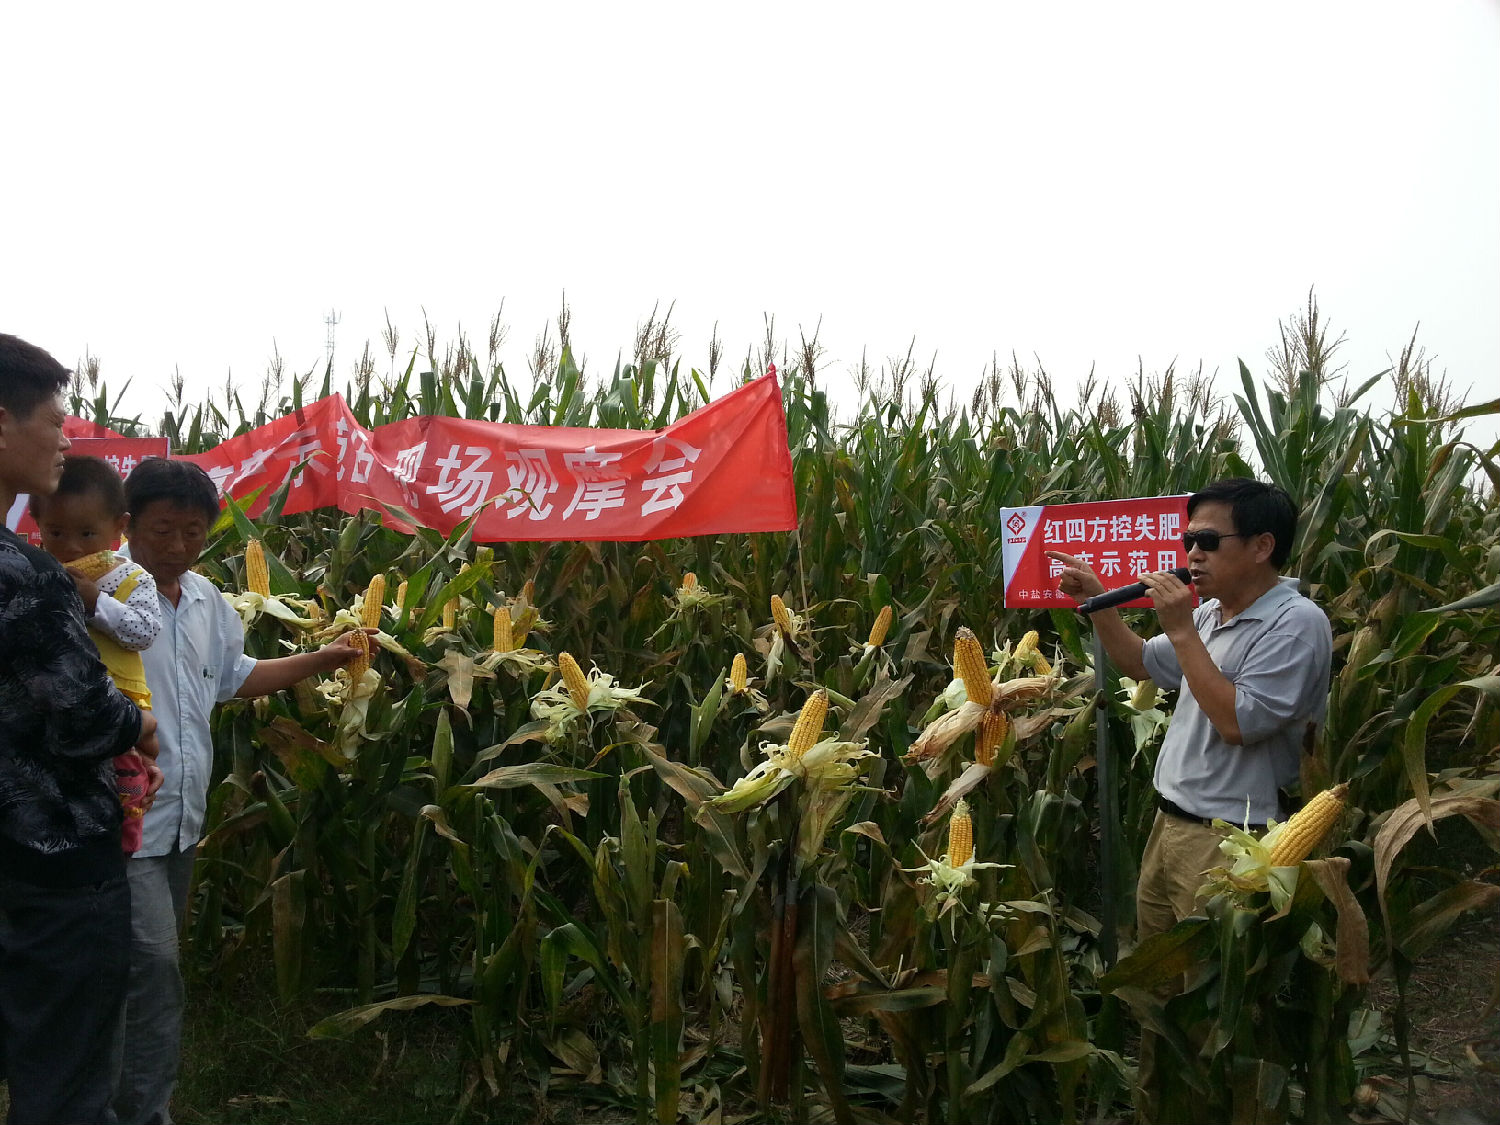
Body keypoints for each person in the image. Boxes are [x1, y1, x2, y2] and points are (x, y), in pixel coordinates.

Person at [1047, 477, 1332, 1123]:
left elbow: (1240, 721)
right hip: (1170, 828)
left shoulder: (1295, 623)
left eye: (1207, 540)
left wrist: (1179, 629)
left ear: (1262, 545)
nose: (1191, 553)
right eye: (1187, 540)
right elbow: (1140, 666)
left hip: (1229, 843)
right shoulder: (1209, 612)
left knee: (1213, 1010)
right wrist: (1100, 603)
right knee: (1160, 1000)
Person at [115, 456, 366, 1125]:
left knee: (145, 972)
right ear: (127, 524)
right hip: (118, 821)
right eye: (162, 530)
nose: (176, 547)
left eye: (193, 532)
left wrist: (323, 655)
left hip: (180, 822)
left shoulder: (207, 602)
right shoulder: (100, 596)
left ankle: (129, 1099)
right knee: (153, 968)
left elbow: (234, 676)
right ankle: (140, 1110)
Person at [0, 334, 162, 1125]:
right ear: (2, 425)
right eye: (55, 419)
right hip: (50, 873)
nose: (66, 437)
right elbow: (86, 715)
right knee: (61, 1090)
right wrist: (139, 727)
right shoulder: (27, 577)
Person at [32, 455, 162, 853]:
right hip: (66, 707)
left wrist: (95, 602)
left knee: (126, 777)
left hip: (121, 698)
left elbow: (144, 632)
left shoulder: (132, 577)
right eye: (55, 533)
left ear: (118, 527)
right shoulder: (36, 573)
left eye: (87, 535)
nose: (70, 547)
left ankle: (126, 842)